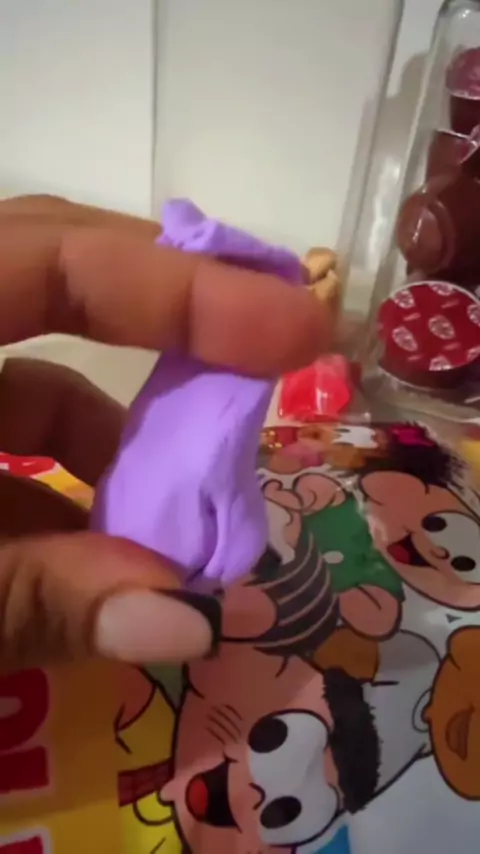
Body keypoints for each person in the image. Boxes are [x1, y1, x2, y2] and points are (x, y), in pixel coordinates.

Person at [0, 194, 334, 672]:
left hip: (135, 533)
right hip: (144, 544)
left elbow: (233, 507)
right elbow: (236, 522)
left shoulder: (218, 394)